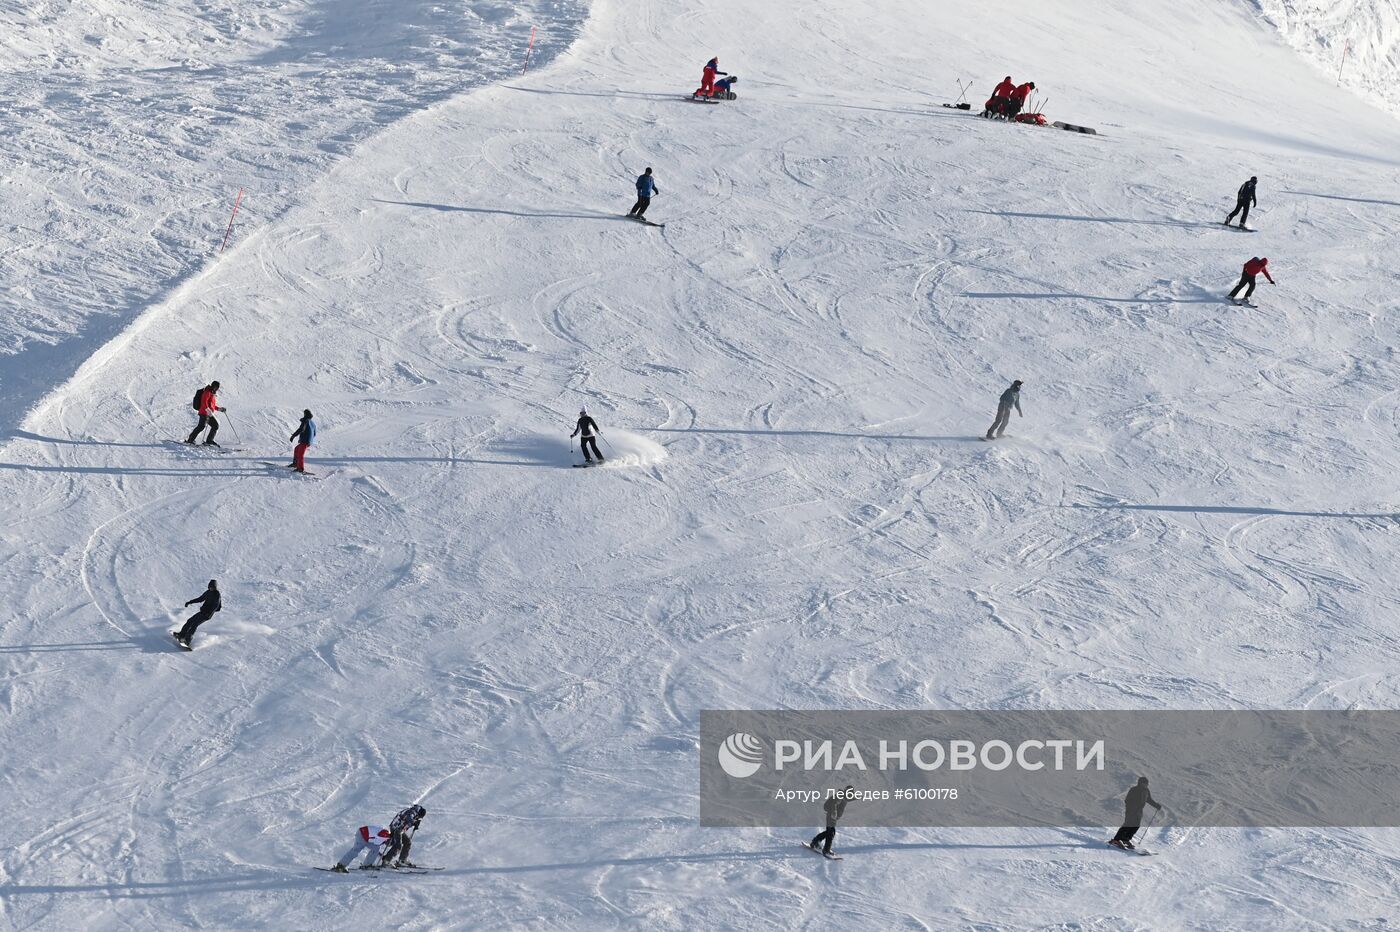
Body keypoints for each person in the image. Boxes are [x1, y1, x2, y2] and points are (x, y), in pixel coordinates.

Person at [1109, 776, 1162, 849]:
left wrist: (1156, 805)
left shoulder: (1146, 791)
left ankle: (1126, 839)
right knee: (1127, 825)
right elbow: (1127, 800)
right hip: (1131, 810)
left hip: (1139, 811)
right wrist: (1132, 807)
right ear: (1140, 783)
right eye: (1144, 783)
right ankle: (1116, 840)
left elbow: (1149, 800)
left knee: (1136, 825)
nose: (1146, 785)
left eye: (1146, 783)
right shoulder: (1134, 790)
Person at [174, 579, 221, 649]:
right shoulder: (207, 592)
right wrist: (190, 602)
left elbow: (216, 605)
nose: (211, 588)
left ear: (215, 587)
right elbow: (200, 599)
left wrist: (209, 613)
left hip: (207, 614)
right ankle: (181, 635)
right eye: (210, 587)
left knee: (194, 624)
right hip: (202, 612)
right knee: (190, 621)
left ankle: (187, 640)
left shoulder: (217, 594)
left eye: (213, 587)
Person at [809, 785, 853, 856]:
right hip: (831, 815)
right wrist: (834, 813)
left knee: (829, 832)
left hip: (832, 816)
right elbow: (834, 803)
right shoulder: (841, 796)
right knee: (831, 832)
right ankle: (826, 850)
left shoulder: (844, 797)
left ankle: (815, 842)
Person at [186, 380, 225, 446]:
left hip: (208, 413)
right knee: (201, 426)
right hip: (204, 412)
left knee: (215, 425)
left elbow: (212, 405)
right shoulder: (207, 392)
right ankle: (190, 440)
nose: (217, 389)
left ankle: (209, 441)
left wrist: (219, 409)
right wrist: (207, 410)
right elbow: (204, 402)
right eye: (217, 387)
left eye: (217, 388)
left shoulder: (212, 393)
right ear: (214, 386)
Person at [288, 409, 316, 473]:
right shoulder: (312, 423)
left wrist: (293, 436)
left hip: (305, 441)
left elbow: (301, 429)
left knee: (300, 454)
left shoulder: (305, 421)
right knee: (297, 449)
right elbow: (314, 433)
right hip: (308, 441)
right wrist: (310, 439)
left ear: (305, 414)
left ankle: (300, 468)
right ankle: (295, 464)